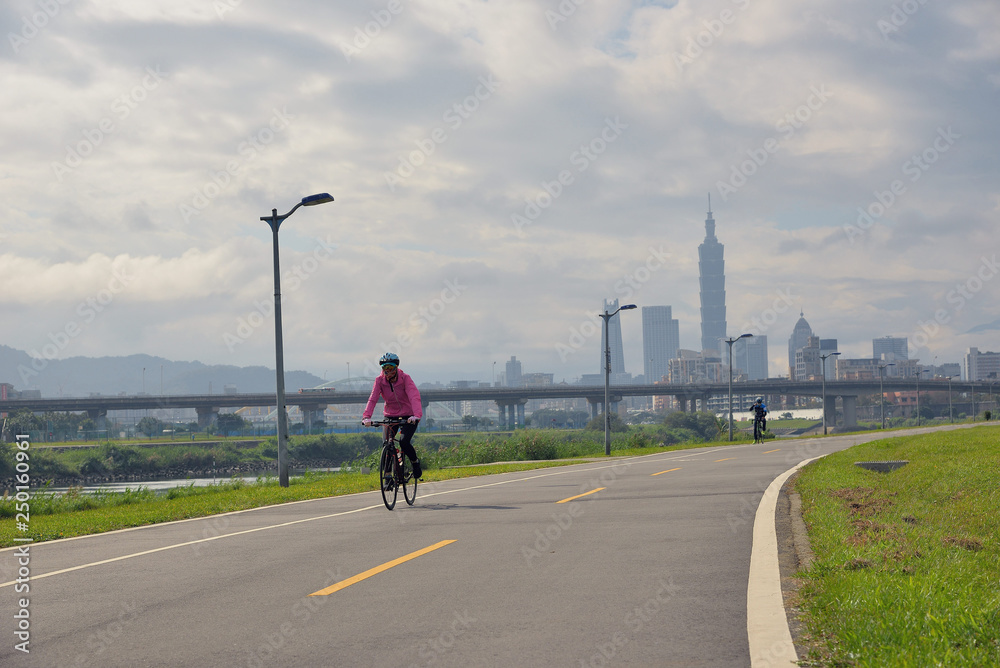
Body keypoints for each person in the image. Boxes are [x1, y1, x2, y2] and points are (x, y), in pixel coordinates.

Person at [362, 352, 423, 479]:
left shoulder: (405, 378)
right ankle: (388, 475)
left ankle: (415, 462)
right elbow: (372, 399)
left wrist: (416, 415)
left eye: (390, 367)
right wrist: (366, 417)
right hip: (390, 415)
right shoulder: (379, 381)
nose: (387, 371)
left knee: (404, 442)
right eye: (384, 368)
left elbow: (414, 396)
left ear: (396, 368)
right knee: (387, 443)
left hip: (409, 416)